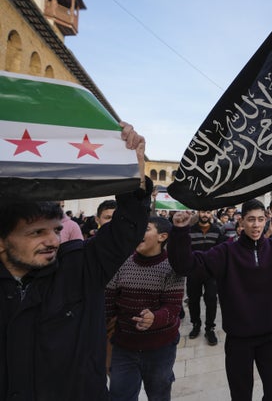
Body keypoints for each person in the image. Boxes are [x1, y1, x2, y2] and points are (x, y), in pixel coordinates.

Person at [0, 122, 148, 400]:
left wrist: (133, 168)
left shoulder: (79, 267)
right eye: (37, 233)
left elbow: (126, 229)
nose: (54, 241)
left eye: (56, 230)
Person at [167, 200, 272, 401]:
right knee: (241, 394)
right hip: (239, 340)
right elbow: (186, 266)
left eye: (260, 219)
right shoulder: (226, 252)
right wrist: (180, 231)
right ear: (241, 222)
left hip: (270, 337)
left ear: (266, 220)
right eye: (251, 220)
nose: (256, 225)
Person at [106, 217, 184, 400]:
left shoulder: (173, 266)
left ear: (162, 236)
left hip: (160, 347)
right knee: (119, 394)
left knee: (159, 394)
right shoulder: (122, 261)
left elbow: (173, 307)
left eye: (145, 228)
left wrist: (154, 318)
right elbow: (107, 302)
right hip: (124, 345)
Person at [186, 210, 224, 345]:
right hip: (193, 272)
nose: (205, 215)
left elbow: (220, 252)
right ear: (198, 213)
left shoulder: (217, 231)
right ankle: (196, 324)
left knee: (211, 301)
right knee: (193, 300)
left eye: (207, 212)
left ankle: (209, 328)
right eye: (203, 212)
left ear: (211, 214)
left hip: (211, 273)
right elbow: (186, 251)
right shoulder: (189, 231)